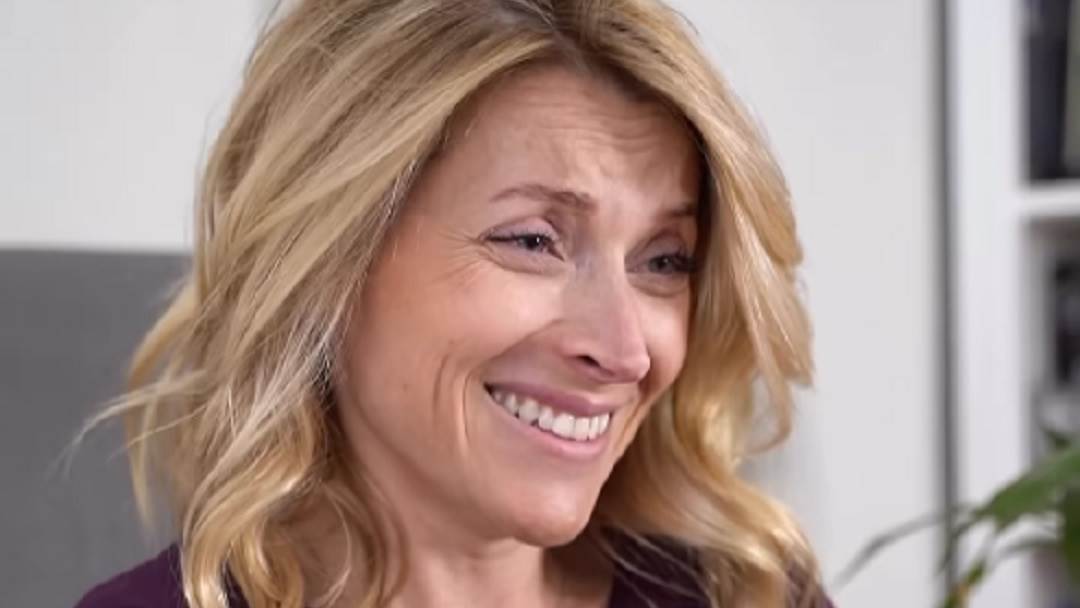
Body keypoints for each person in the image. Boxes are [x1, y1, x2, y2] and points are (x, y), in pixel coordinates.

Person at [76, 0, 831, 606]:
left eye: (663, 260)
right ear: (330, 262)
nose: (625, 349)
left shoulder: (750, 596)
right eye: (533, 241)